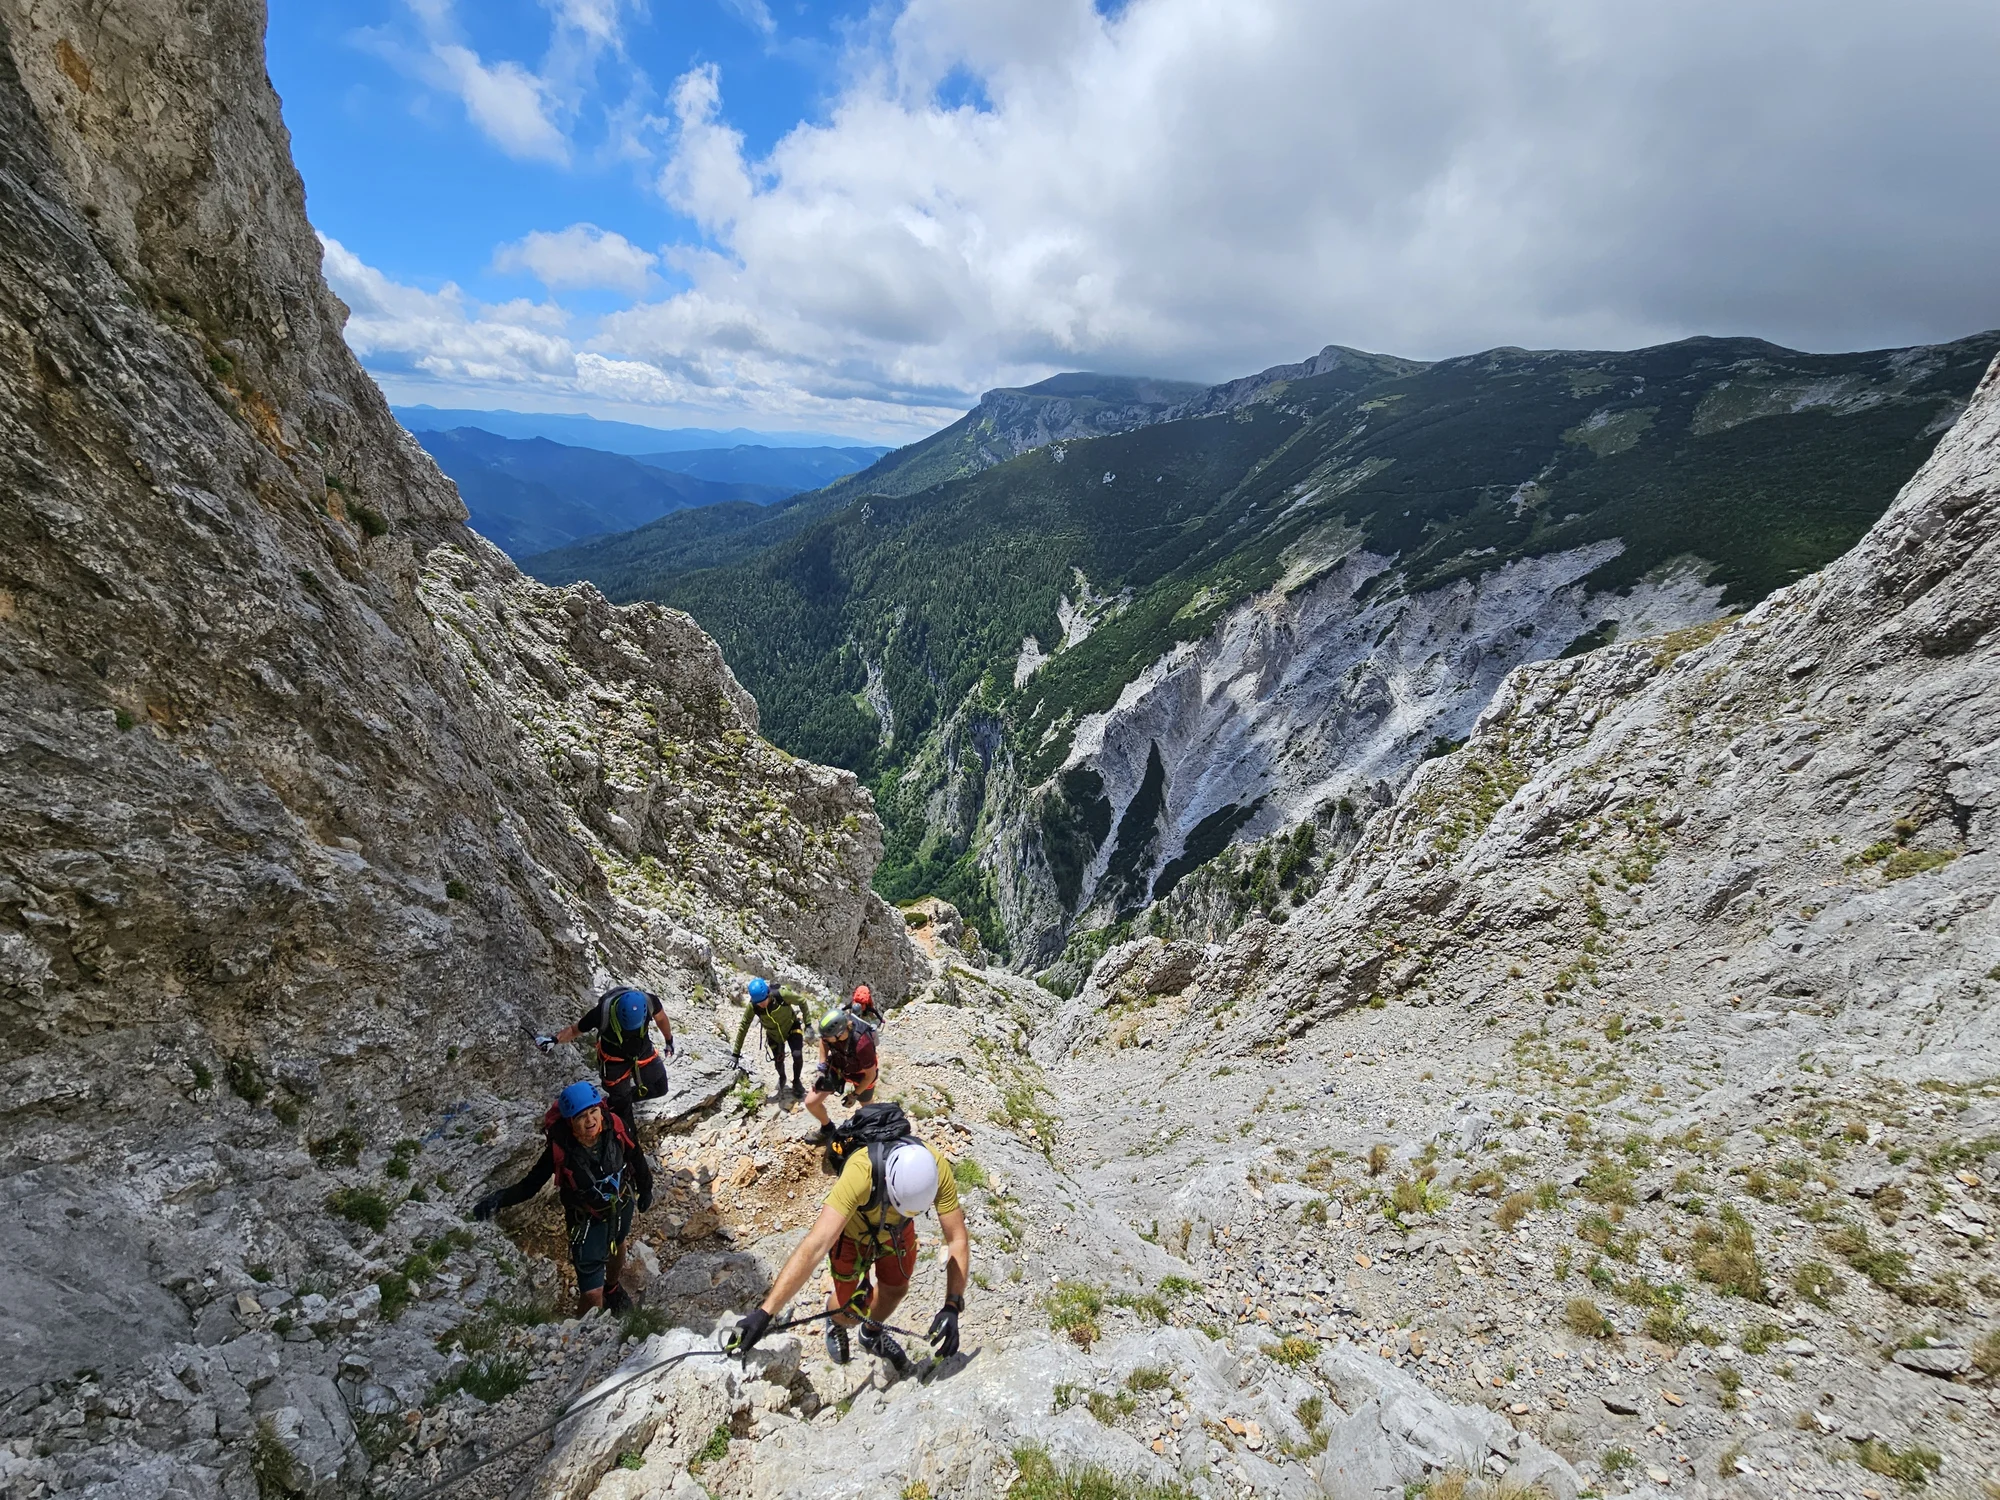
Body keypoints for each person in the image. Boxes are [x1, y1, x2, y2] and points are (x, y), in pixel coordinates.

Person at [731, 1104, 967, 1375]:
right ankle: (837, 1322)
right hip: (853, 1236)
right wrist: (765, 1313)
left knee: (895, 1289)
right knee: (848, 1309)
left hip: (897, 1231)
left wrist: (952, 1305)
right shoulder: (860, 1172)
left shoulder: (935, 1167)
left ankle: (871, 1333)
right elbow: (816, 1245)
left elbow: (957, 1239)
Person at [473, 1080, 653, 1315]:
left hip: (621, 1203)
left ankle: (612, 1288)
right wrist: (499, 1199)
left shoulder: (615, 1126)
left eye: (593, 1112)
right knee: (591, 1293)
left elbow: (635, 1153)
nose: (590, 1121)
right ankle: (584, 1334)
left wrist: (645, 1187)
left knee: (618, 1246)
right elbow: (531, 1184)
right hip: (586, 1219)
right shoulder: (561, 1148)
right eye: (581, 1117)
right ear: (570, 1121)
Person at [537, 986, 673, 1139]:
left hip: (642, 1052)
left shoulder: (649, 1001)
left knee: (660, 1088)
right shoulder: (602, 1013)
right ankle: (628, 1132)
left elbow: (661, 1018)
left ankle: (613, 1102)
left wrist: (669, 1041)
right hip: (614, 1062)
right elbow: (574, 1030)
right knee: (624, 1112)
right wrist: (554, 1040)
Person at [730, 977, 815, 1099]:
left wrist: (808, 1025)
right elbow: (744, 1026)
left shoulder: (782, 995)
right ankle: (782, 1077)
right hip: (773, 1034)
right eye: (758, 1003)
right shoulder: (753, 1006)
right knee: (778, 1062)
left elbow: (802, 1001)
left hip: (791, 1027)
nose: (761, 1005)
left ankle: (796, 1081)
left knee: (797, 1055)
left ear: (768, 994)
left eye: (763, 1001)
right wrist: (735, 1054)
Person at [804, 1005, 879, 1139]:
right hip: (838, 1065)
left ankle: (873, 1133)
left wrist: (854, 1095)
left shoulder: (862, 1044)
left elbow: (870, 1075)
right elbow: (823, 1042)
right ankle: (827, 1128)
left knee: (868, 1110)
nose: (824, 1039)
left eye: (828, 1037)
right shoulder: (829, 1035)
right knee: (811, 1102)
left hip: (861, 1074)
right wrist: (822, 1067)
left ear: (839, 1034)